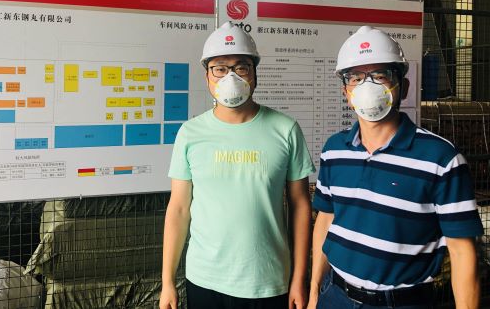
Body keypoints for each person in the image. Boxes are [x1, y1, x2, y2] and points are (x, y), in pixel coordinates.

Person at [309, 26, 484, 309]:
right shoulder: (334, 149)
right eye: (355, 77)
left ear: (404, 86)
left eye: (380, 75)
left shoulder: (442, 159)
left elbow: (462, 251)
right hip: (335, 295)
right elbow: (326, 220)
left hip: (402, 302)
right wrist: (315, 291)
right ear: (346, 91)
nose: (367, 86)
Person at [159, 21, 315, 309]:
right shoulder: (190, 133)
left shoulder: (286, 129)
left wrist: (298, 278)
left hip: (269, 281)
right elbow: (179, 208)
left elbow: (301, 206)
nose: (230, 76)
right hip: (204, 279)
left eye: (241, 67)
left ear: (255, 74)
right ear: (207, 76)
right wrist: (167, 281)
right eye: (220, 68)